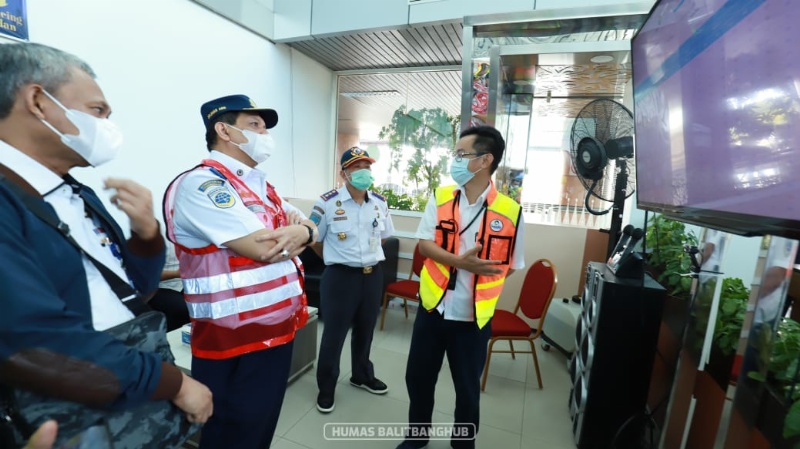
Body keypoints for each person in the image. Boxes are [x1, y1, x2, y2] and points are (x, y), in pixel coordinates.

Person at [0, 42, 212, 447]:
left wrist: (145, 232)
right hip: (72, 411)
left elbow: (135, 290)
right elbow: (32, 339)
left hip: (128, 387)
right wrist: (175, 383)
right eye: (98, 111)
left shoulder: (75, 193)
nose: (108, 127)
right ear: (37, 101)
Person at [163, 94, 316, 449]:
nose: (265, 134)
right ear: (224, 130)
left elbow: (309, 222)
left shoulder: (262, 187)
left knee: (258, 431)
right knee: (232, 435)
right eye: (255, 125)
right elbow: (265, 248)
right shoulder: (204, 185)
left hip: (278, 332)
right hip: (232, 342)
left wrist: (304, 230)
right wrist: (302, 233)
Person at [397, 126, 526, 449]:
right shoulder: (441, 197)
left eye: (460, 154)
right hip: (433, 309)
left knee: (467, 390)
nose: (454, 160)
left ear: (485, 160)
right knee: (418, 379)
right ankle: (417, 438)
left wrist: (479, 279)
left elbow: (511, 265)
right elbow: (424, 245)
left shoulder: (511, 211)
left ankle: (462, 444)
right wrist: (459, 263)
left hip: (472, 319)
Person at [309, 147, 395, 413]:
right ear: (343, 173)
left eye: (366, 167)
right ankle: (326, 386)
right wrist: (336, 259)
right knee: (334, 334)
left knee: (366, 330)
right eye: (356, 168)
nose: (363, 172)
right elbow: (315, 240)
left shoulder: (379, 202)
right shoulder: (327, 202)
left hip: (372, 276)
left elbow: (383, 236)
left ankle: (361, 375)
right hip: (339, 278)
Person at [148, 237, 191, 331]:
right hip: (158, 286)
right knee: (182, 308)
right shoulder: (149, 233)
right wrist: (177, 273)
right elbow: (144, 275)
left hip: (185, 281)